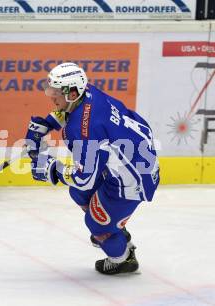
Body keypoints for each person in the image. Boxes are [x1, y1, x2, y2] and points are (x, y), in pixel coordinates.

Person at [25, 62, 160, 275]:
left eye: (57, 93)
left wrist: (51, 168)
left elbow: (84, 178)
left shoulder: (85, 129)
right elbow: (70, 112)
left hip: (132, 180)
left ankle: (122, 259)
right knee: (78, 193)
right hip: (126, 163)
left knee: (96, 225)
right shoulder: (87, 93)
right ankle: (113, 226)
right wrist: (48, 123)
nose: (52, 98)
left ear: (71, 93)